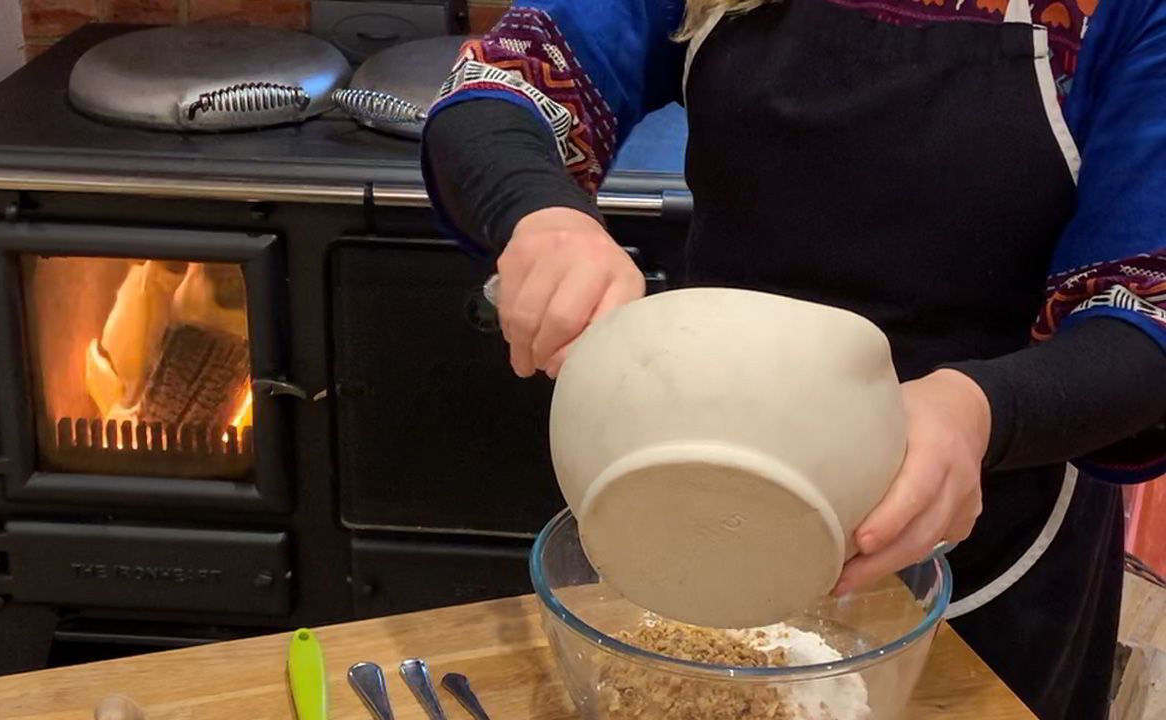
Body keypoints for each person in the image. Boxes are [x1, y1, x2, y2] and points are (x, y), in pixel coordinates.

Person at [421, 0, 1166, 716]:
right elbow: (505, 81)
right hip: (711, 507)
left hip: (984, 529)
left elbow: (1147, 316)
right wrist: (542, 216)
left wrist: (982, 413)